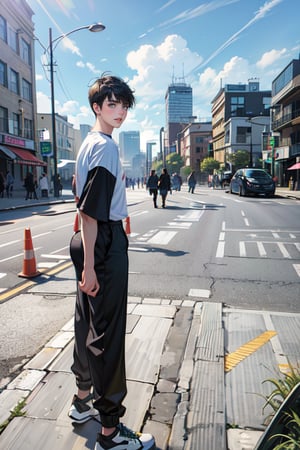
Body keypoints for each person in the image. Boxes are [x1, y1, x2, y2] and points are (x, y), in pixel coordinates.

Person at [68, 74, 156, 450]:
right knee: (107, 335)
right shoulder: (104, 147)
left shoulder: (89, 144)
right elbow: (90, 212)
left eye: (123, 105)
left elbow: (82, 204)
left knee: (86, 323)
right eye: (112, 104)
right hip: (102, 243)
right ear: (96, 107)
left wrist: (86, 259)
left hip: (90, 242)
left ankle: (81, 402)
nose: (119, 112)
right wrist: (91, 264)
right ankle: (109, 432)